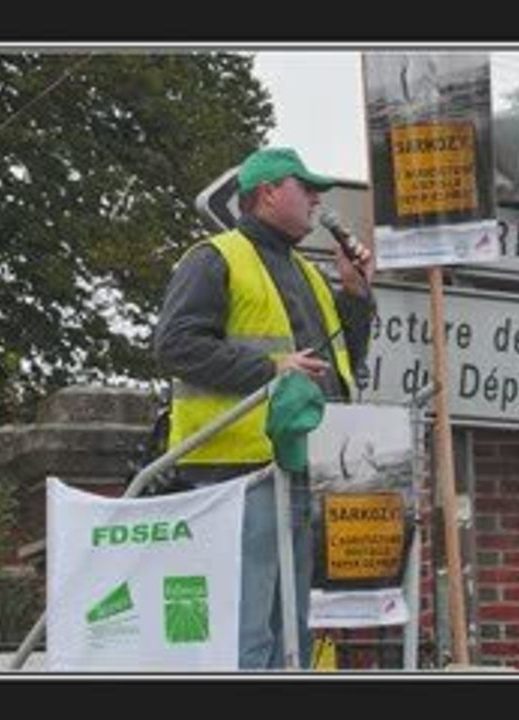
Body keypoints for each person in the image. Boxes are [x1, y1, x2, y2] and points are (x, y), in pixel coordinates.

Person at [153, 147, 375, 669]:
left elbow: (342, 366)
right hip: (233, 476)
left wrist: (356, 295)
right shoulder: (215, 256)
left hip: (296, 471)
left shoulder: (309, 273)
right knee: (246, 635)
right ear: (269, 191)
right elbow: (175, 345)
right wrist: (271, 369)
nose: (317, 197)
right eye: (306, 186)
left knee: (287, 636)